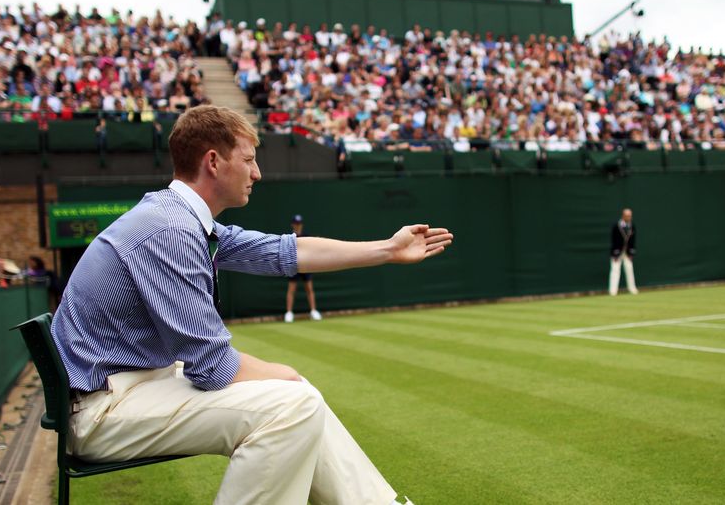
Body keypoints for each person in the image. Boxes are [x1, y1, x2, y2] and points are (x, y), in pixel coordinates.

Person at [51, 106, 451, 505]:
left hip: (130, 386)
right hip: (102, 409)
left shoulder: (178, 218)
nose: (257, 172)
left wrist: (387, 248)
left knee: (299, 396)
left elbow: (284, 252)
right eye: (248, 160)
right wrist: (286, 375)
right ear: (213, 161)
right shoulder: (168, 230)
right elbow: (212, 367)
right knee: (292, 402)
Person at [284, 214, 321, 323]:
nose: (298, 225)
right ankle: (289, 313)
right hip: (293, 266)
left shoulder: (306, 236)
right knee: (291, 290)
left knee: (309, 289)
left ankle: (313, 311)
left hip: (306, 266)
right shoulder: (289, 237)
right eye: (296, 223)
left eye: (299, 224)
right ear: (292, 225)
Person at [608, 208, 638, 296]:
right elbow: (614, 240)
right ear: (623, 216)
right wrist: (615, 253)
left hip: (627, 252)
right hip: (617, 252)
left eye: (630, 216)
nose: (629, 217)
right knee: (615, 270)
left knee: (629, 269)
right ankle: (613, 291)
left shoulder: (632, 226)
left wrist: (631, 252)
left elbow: (633, 240)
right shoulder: (616, 226)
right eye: (627, 216)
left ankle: (632, 288)